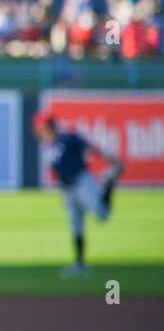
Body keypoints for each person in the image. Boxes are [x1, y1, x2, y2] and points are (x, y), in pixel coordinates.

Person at [33, 111, 122, 277]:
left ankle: (109, 180)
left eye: (40, 126)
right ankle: (80, 264)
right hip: (66, 189)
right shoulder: (48, 145)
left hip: (82, 182)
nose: (37, 129)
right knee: (76, 226)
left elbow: (90, 147)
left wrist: (111, 159)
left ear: (48, 126)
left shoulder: (67, 138)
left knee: (102, 214)